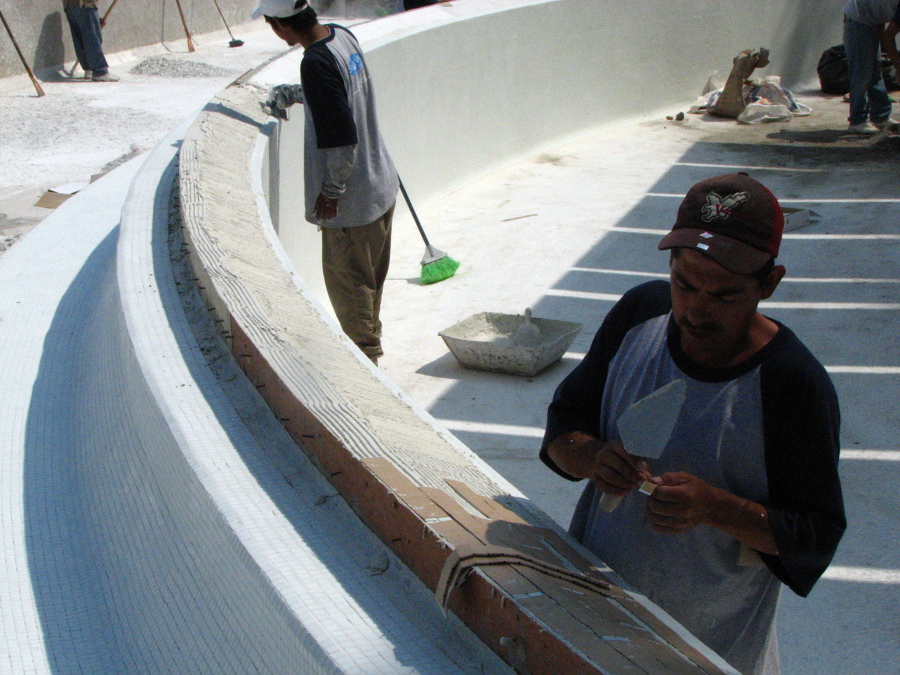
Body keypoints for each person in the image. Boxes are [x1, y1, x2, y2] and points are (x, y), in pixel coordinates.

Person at [540, 174, 845, 675]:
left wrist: (713, 507)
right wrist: (593, 458)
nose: (696, 311)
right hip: (596, 623)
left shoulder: (792, 384)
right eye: (684, 284)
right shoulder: (639, 315)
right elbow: (562, 429)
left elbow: (814, 536)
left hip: (712, 652)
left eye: (725, 296)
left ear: (769, 283)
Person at [254, 0, 399, 363]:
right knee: (369, 288)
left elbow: (343, 142)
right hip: (380, 186)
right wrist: (298, 92)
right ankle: (370, 354)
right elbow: (338, 94)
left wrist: (331, 193)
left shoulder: (315, 62)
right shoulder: (341, 36)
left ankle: (367, 372)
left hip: (353, 206)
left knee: (352, 297)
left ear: (281, 25)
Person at [842, 0, 900, 133]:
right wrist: (897, 67)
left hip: (874, 19)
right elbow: (889, 36)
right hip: (858, 20)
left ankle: (881, 117)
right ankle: (857, 122)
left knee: (875, 71)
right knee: (861, 74)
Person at [63, 0, 119, 82]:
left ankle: (89, 69)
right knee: (92, 38)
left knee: (80, 37)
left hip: (70, 6)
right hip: (86, 5)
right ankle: (100, 71)